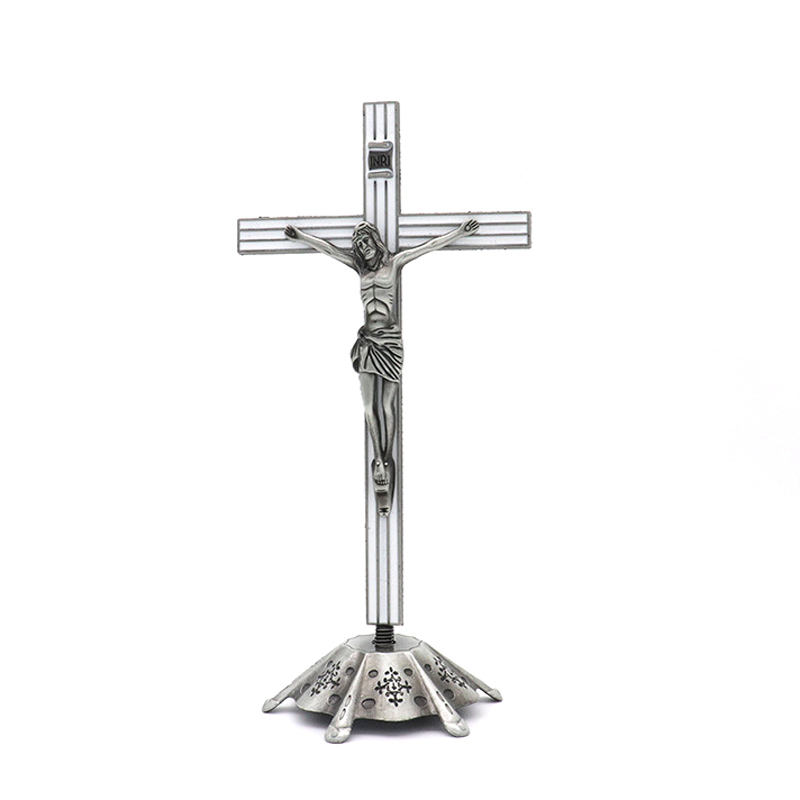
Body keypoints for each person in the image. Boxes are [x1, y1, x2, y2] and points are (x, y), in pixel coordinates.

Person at [285, 218, 479, 514]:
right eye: (358, 244)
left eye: (365, 241)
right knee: (368, 406)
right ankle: (379, 460)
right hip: (367, 339)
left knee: (386, 405)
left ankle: (386, 462)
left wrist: (459, 233)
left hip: (389, 340)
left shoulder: (394, 263)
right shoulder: (359, 268)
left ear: (375, 240)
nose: (362, 248)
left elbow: (429, 245)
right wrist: (301, 237)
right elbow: (330, 250)